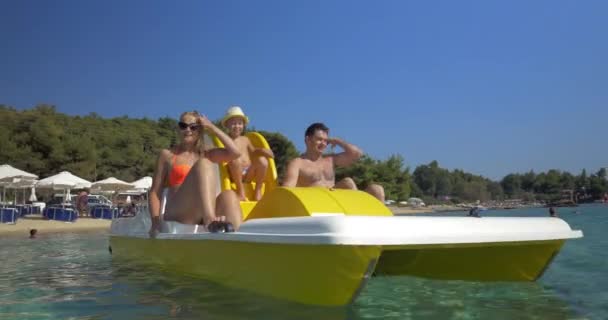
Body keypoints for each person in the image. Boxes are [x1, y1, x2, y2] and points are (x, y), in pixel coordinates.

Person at [148, 111, 243, 237]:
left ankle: (238, 239)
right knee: (203, 164)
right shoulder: (167, 155)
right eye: (183, 126)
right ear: (178, 128)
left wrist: (212, 127)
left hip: (201, 211)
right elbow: (155, 191)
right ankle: (210, 219)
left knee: (229, 195)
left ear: (200, 130)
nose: (188, 130)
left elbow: (235, 153)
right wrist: (155, 222)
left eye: (193, 127)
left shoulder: (206, 153)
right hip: (178, 211)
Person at [282, 122, 385, 202]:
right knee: (348, 183)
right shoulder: (297, 163)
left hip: (336, 202)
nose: (323, 143)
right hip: (315, 204)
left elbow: (356, 154)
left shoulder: (330, 160)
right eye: (319, 139)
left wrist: (338, 141)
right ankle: (355, 217)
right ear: (308, 140)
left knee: (377, 189)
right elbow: (287, 189)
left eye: (325, 141)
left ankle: (382, 225)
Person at [221, 106, 274, 201]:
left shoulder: (245, 139)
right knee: (234, 159)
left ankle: (258, 191)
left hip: (248, 173)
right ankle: (240, 192)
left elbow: (253, 151)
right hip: (234, 174)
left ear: (243, 125)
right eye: (233, 123)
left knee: (262, 160)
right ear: (227, 125)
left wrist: (263, 151)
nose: (237, 126)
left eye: (239, 123)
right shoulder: (226, 140)